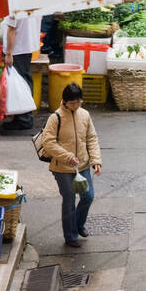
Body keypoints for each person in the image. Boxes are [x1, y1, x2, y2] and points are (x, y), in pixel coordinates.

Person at [38, 82, 102, 249]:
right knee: (69, 199)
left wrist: (96, 161)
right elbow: (48, 142)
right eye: (72, 103)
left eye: (78, 102)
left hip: (82, 165)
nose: (75, 106)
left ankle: (78, 224)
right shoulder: (55, 118)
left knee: (88, 196)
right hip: (62, 168)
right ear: (65, 101)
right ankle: (71, 236)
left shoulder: (85, 115)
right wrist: (67, 156)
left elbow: (91, 138)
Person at [1, 9, 42, 131]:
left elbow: (11, 30)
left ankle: (24, 119)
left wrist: (8, 53)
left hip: (17, 49)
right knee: (24, 80)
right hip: (27, 47)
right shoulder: (33, 1)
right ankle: (23, 117)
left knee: (20, 83)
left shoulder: (15, 7)